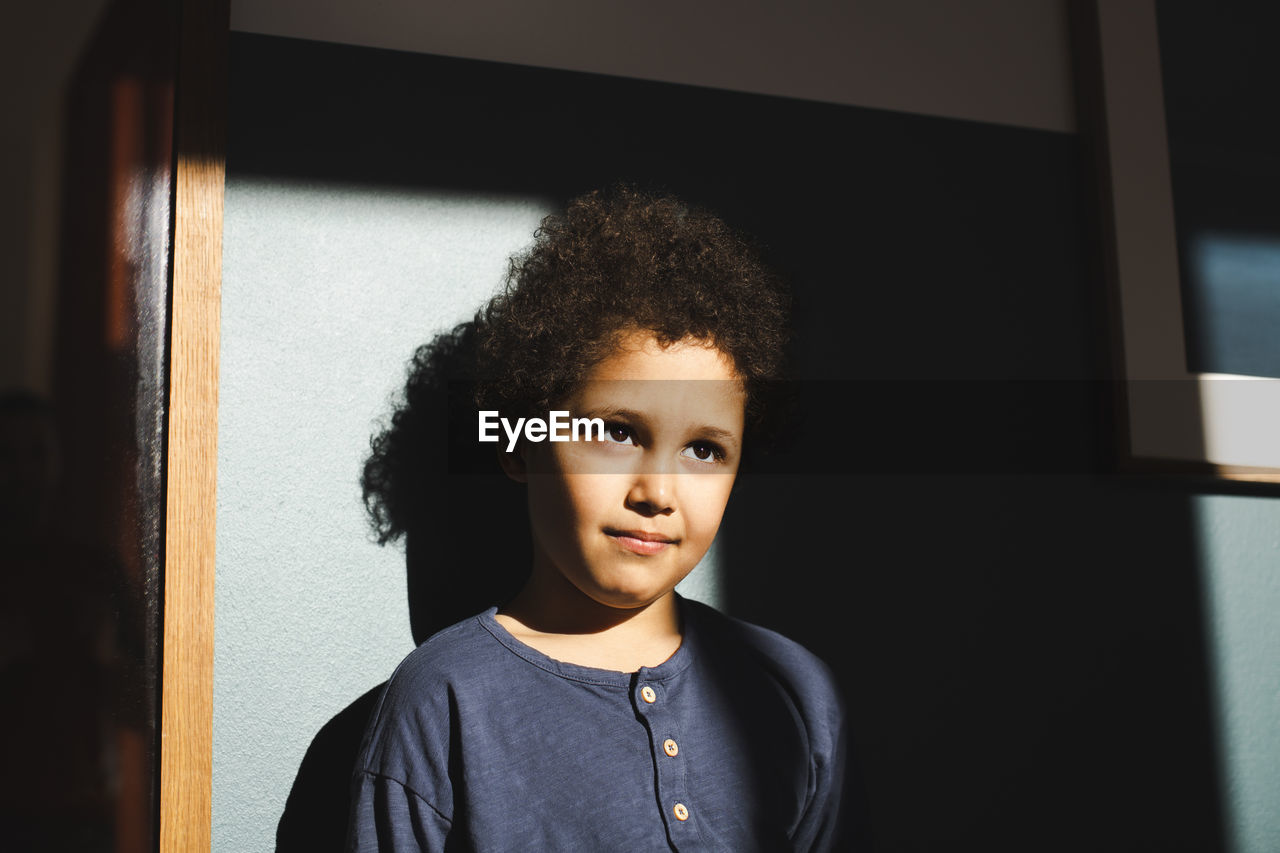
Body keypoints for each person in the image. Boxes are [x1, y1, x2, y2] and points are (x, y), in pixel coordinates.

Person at [348, 186, 847, 851]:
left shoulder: (795, 692)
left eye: (704, 448)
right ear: (521, 441)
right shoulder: (442, 701)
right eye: (617, 433)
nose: (657, 491)